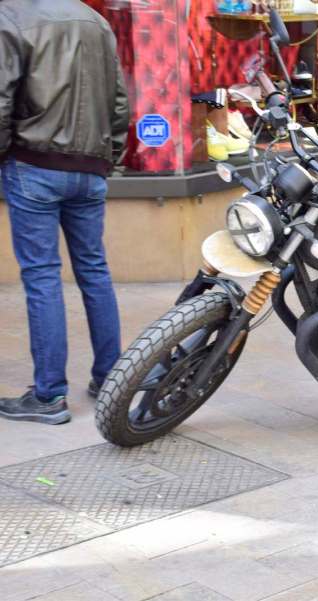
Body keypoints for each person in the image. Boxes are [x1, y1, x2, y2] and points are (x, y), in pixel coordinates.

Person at [0, 0, 129, 425]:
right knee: (94, 270)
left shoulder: (11, 16)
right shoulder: (96, 21)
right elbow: (119, 101)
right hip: (88, 167)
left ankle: (49, 395)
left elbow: (1, 98)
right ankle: (111, 377)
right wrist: (109, 158)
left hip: (34, 163)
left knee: (42, 277)